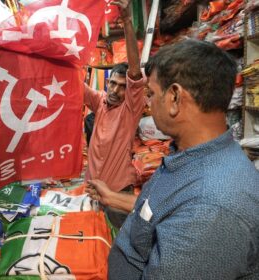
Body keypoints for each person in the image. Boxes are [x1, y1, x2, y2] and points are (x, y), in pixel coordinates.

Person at [90, 39, 259, 279]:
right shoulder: (188, 154)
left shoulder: (212, 208)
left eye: (151, 93)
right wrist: (112, 197)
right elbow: (162, 210)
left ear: (175, 98)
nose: (148, 102)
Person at [84, 0, 145, 194]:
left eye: (122, 87)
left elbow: (135, 73)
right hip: (92, 188)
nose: (115, 90)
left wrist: (126, 20)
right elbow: (74, 85)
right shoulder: (99, 101)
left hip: (118, 191)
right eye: (112, 84)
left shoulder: (130, 110)